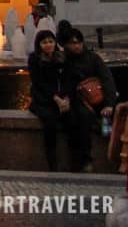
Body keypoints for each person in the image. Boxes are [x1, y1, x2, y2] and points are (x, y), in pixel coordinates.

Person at [61, 29, 117, 172]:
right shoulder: (65, 61)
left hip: (98, 102)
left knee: (96, 119)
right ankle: (79, 160)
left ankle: (97, 159)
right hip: (77, 102)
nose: (76, 46)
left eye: (78, 42)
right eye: (72, 43)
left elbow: (107, 80)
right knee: (74, 120)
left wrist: (109, 104)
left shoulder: (92, 58)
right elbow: (64, 84)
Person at [28, 30, 66, 171]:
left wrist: (65, 98)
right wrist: (56, 98)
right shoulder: (34, 59)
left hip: (61, 99)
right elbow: (38, 83)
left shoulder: (61, 58)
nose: (48, 45)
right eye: (44, 42)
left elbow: (66, 80)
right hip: (42, 99)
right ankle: (52, 163)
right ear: (39, 44)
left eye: (51, 41)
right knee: (50, 121)